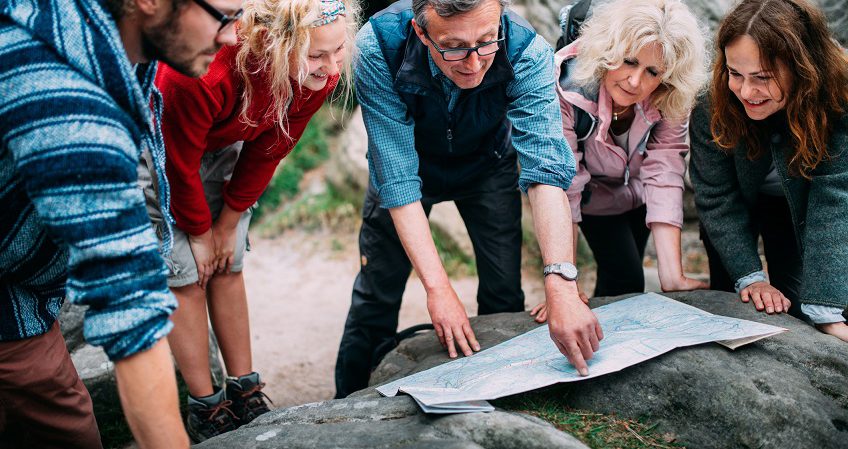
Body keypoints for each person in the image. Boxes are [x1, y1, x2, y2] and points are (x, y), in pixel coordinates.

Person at [0, 0, 241, 446]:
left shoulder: (87, 33)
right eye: (224, 15)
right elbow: (130, 312)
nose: (233, 35)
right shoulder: (67, 108)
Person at [335, 0, 603, 399]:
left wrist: (562, 283)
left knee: (503, 293)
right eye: (454, 47)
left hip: (488, 163)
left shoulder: (527, 51)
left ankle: (507, 394)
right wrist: (438, 288)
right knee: (377, 292)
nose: (474, 63)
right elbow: (397, 179)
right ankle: (347, 402)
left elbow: (546, 172)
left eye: (486, 40)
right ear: (421, 32)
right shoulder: (378, 46)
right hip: (406, 163)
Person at [148, 0, 359, 441]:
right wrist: (201, 233)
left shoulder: (318, 75)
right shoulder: (204, 73)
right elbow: (178, 163)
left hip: (223, 139)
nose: (332, 67)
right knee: (186, 271)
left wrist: (228, 222)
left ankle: (244, 388)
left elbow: (270, 148)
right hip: (158, 148)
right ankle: (205, 406)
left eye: (339, 50)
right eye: (318, 55)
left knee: (229, 262)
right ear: (272, 44)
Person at [530, 0, 708, 323]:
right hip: (593, 197)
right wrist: (563, 284)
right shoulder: (565, 84)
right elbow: (564, 182)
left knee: (621, 281)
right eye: (629, 62)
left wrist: (673, 277)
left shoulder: (672, 93)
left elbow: (666, 168)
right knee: (627, 276)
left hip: (639, 194)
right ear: (608, 49)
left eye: (652, 71)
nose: (635, 81)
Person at [690, 0, 848, 341]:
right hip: (733, 207)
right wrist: (751, 277)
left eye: (762, 78)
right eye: (735, 74)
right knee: (734, 298)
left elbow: (834, 196)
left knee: (803, 304)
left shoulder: (837, 96)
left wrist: (826, 310)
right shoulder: (709, 103)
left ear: (802, 67)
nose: (746, 91)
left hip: (803, 204)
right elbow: (717, 196)